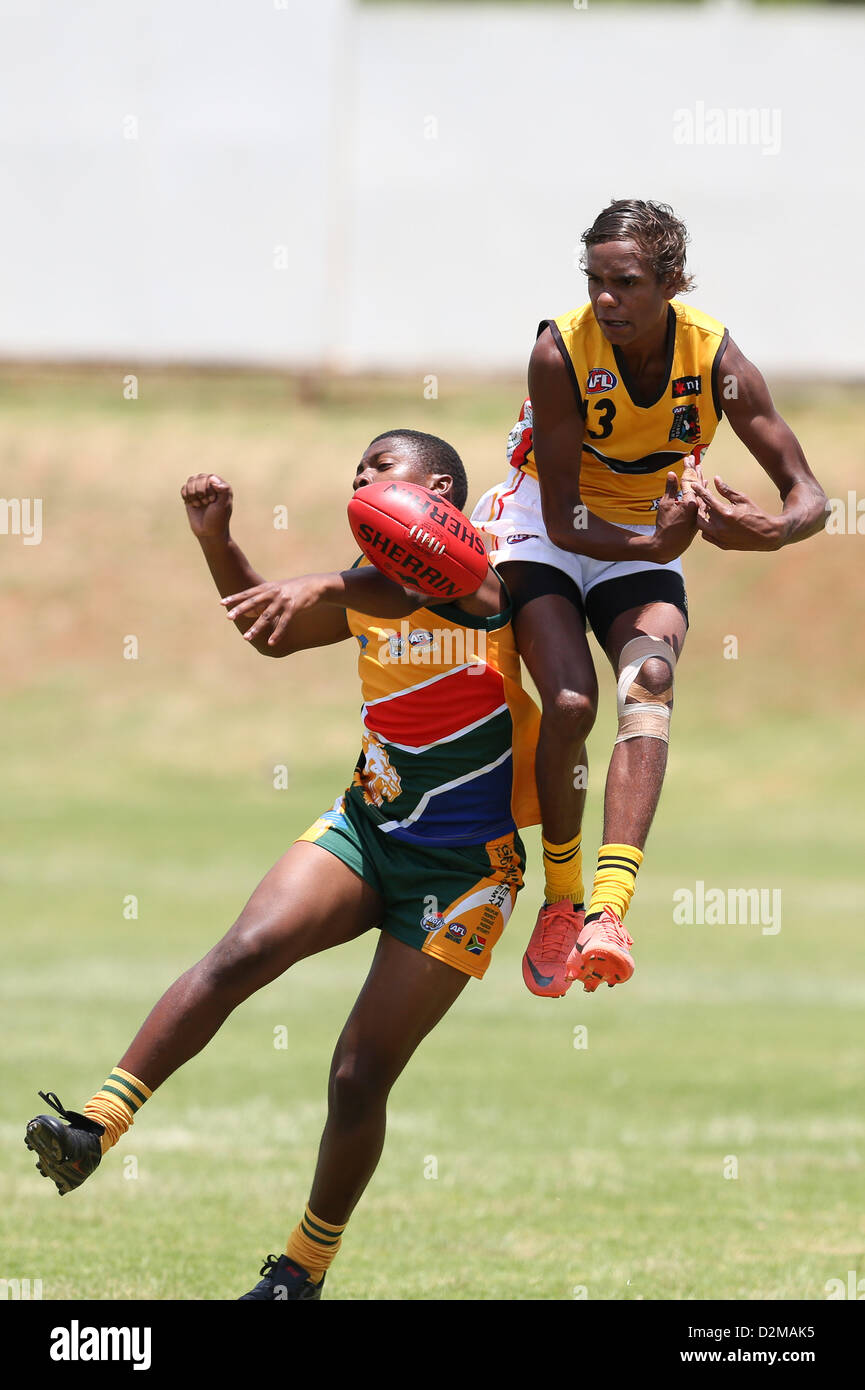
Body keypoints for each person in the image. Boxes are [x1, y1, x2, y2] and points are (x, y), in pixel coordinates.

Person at [25, 429, 541, 1300]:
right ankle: (93, 1128)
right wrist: (217, 543)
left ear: (440, 486)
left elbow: (473, 595)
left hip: (464, 871)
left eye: (383, 466)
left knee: (356, 1074)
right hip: (366, 827)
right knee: (241, 954)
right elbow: (273, 633)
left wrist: (332, 581)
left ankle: (300, 1273)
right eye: (357, 469)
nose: (362, 476)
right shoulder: (363, 582)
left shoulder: (501, 562)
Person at [470, 199, 827, 1000]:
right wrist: (658, 546)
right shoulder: (558, 351)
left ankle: (607, 912)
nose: (605, 299)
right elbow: (562, 514)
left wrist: (768, 531)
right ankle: (558, 900)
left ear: (671, 282)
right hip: (546, 531)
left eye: (625, 283)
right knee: (567, 703)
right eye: (594, 280)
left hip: (641, 532)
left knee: (650, 682)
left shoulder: (716, 359)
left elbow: (809, 494)